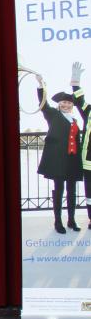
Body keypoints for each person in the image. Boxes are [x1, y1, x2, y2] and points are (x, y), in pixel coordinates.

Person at [72, 63, 91, 229]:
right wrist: (76, 82)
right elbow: (79, 101)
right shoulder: (89, 110)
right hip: (88, 162)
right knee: (90, 193)